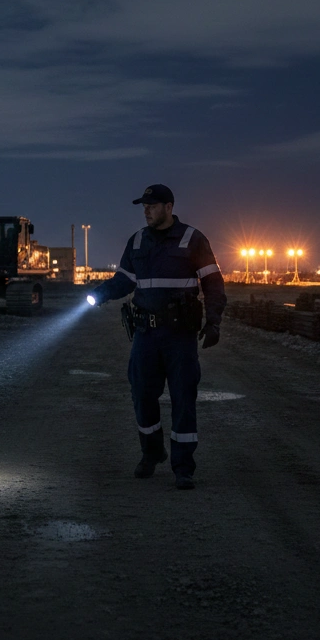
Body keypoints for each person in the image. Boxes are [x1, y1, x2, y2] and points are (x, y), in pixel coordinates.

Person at [87, 184, 226, 490]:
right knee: (142, 396)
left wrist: (213, 322)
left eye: (152, 205)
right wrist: (101, 293)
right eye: (144, 206)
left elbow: (214, 284)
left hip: (180, 337)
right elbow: (123, 282)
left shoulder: (193, 239)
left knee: (183, 399)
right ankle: (152, 454)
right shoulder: (137, 242)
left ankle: (183, 468)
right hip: (145, 335)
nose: (146, 211)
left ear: (169, 207)